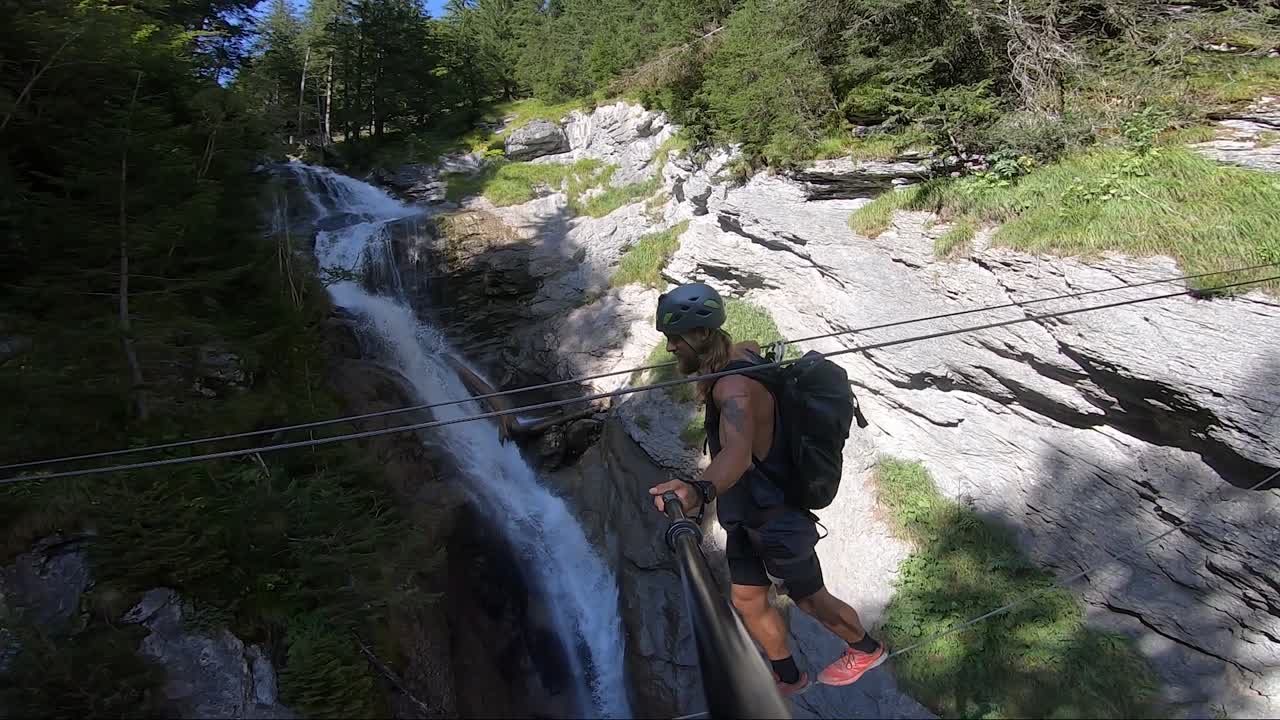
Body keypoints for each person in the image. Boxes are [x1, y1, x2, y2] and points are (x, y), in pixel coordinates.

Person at [648, 282, 886, 696]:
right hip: (746, 514)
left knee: (810, 599)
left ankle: (866, 649)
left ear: (701, 335)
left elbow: (736, 455)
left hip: (777, 519)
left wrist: (697, 490)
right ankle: (790, 676)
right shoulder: (736, 356)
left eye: (674, 338)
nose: (670, 348)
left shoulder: (733, 389)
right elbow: (749, 345)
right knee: (748, 601)